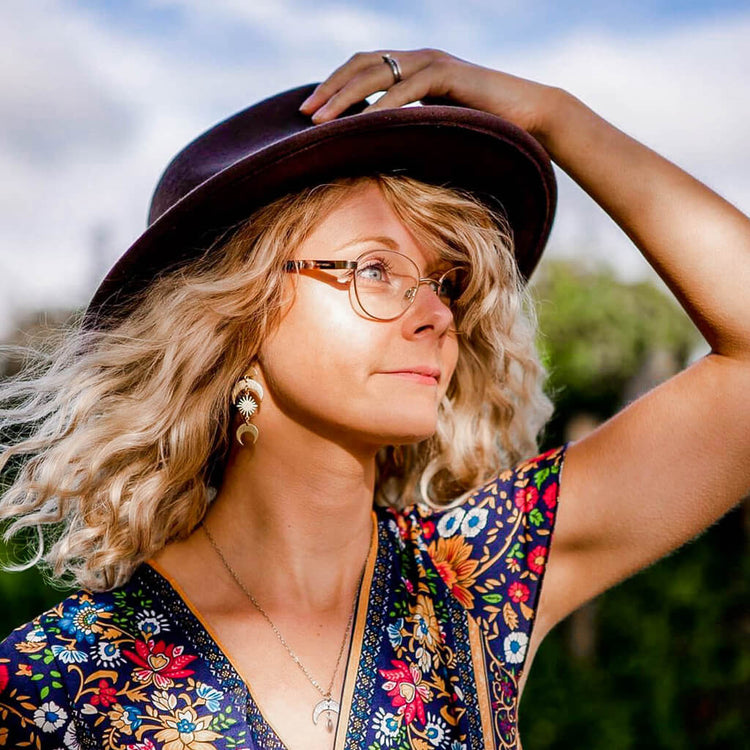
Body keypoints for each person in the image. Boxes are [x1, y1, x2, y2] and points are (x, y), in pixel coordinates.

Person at [0, 48, 747, 750]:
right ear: (237, 312)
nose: (438, 315)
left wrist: (557, 116)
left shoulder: (472, 584)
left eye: (446, 282)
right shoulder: (48, 682)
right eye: (375, 270)